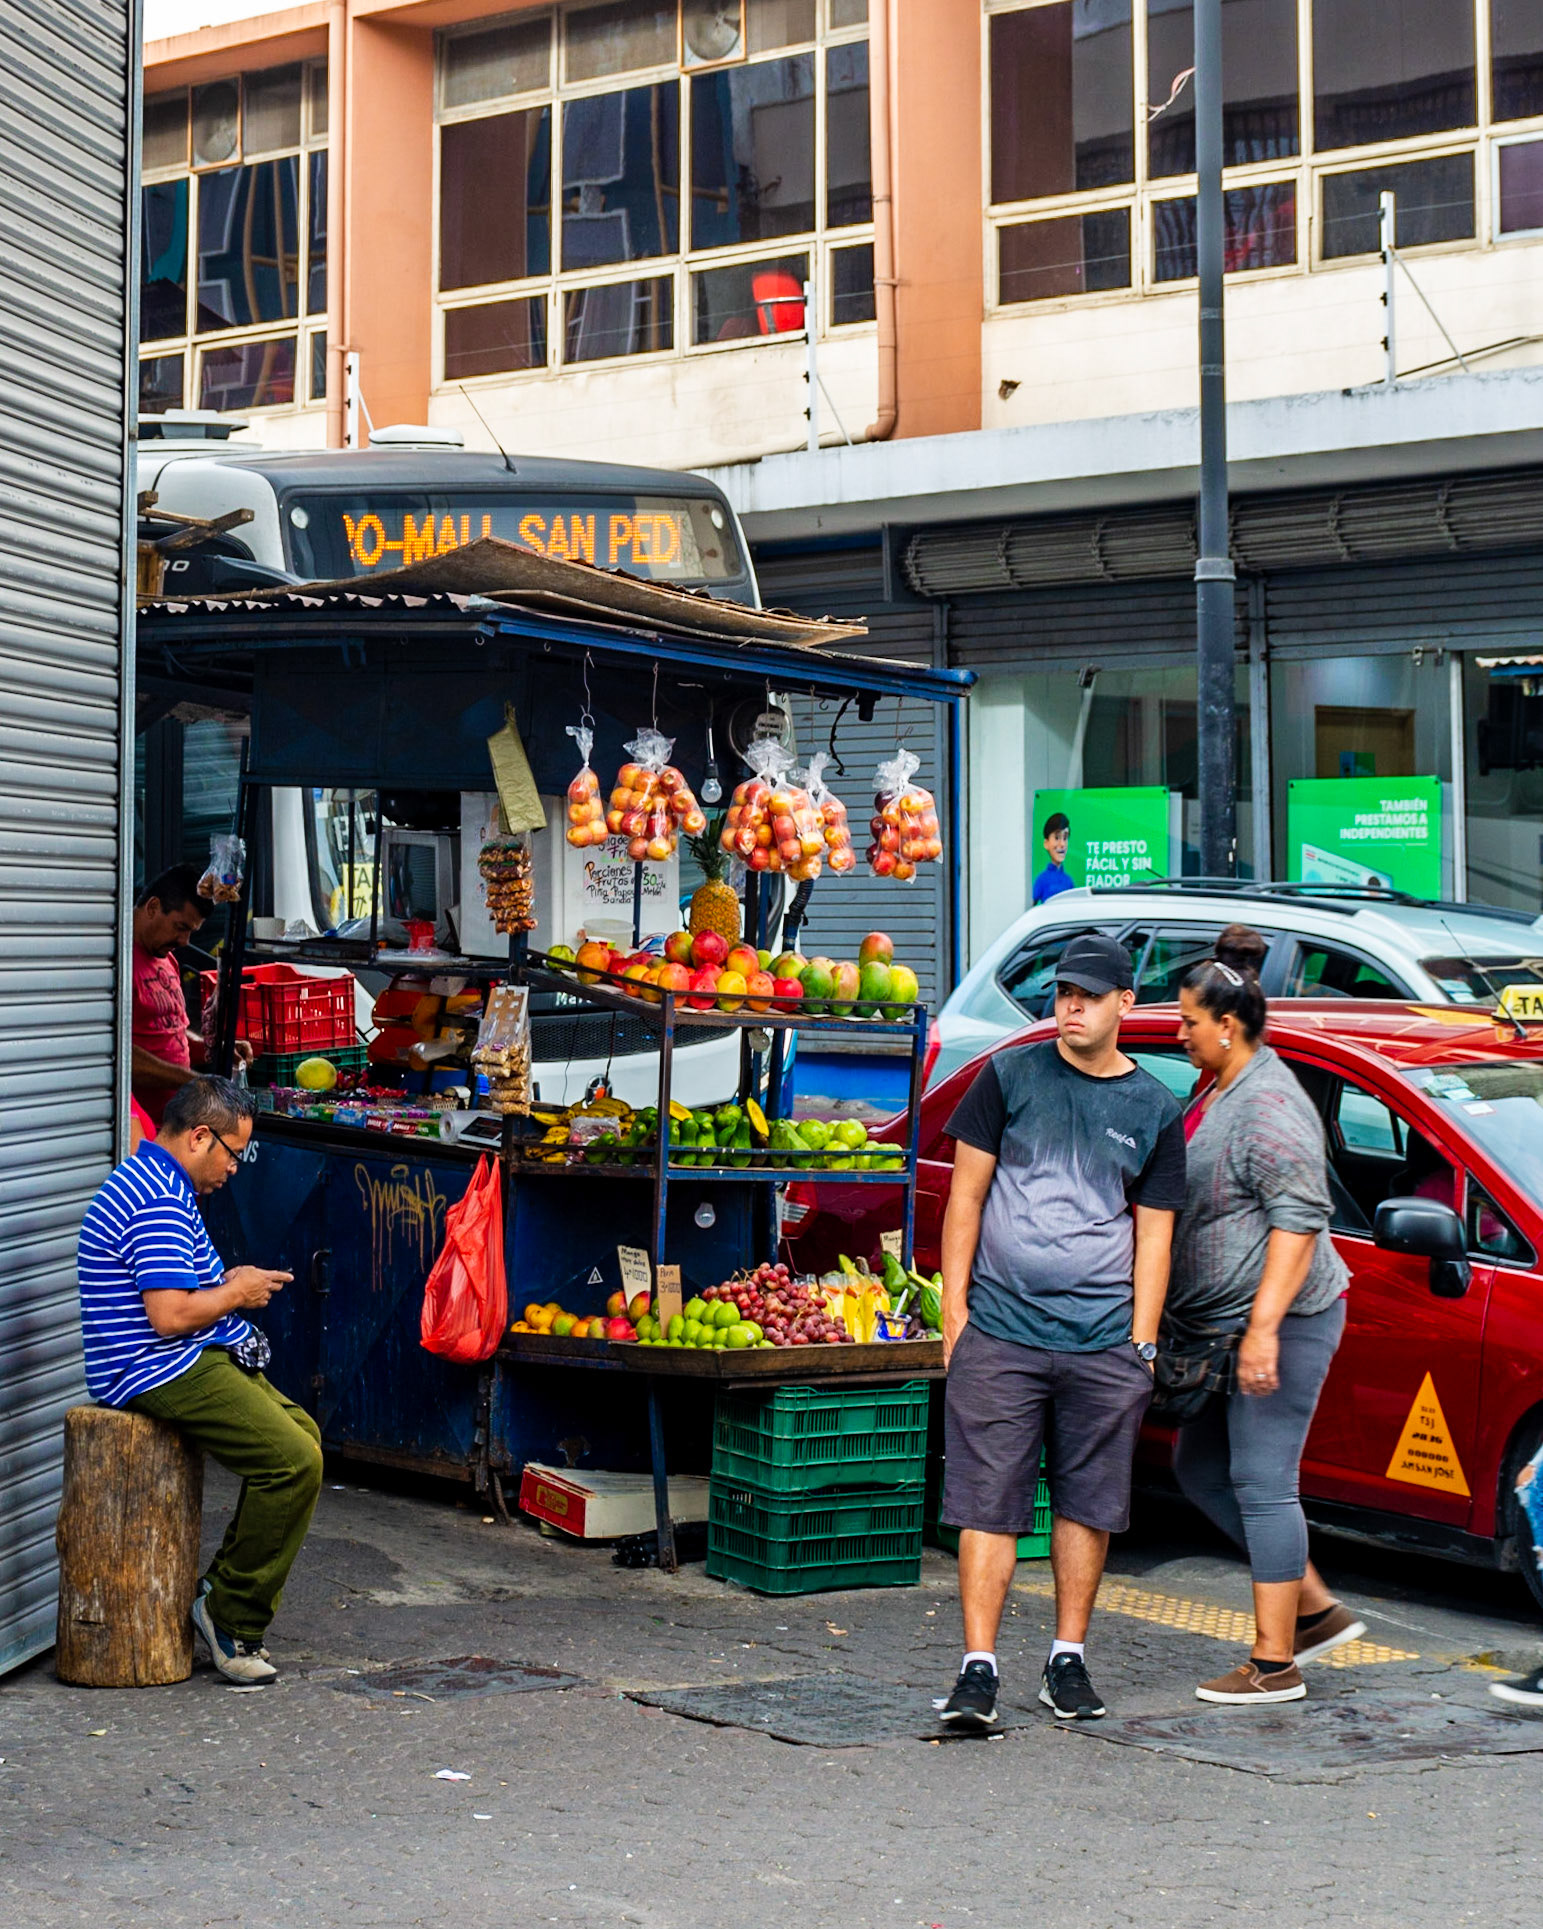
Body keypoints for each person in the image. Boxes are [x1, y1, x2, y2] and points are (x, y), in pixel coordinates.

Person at [937, 932, 1187, 1729]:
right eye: (1062, 993)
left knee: (1088, 1505)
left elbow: (1154, 1233)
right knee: (988, 1503)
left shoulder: (1154, 1107)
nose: (1070, 1007)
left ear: (1124, 1004)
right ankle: (977, 1668)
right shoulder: (1008, 1075)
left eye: (1087, 995)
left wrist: (1141, 1343)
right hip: (1000, 1332)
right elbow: (965, 1198)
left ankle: (1066, 1659)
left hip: (1104, 1339)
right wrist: (954, 1314)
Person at [1166, 925, 1364, 1705]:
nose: (1178, 1032)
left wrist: (1262, 1330)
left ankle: (1274, 1662)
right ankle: (1312, 1608)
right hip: (1226, 1326)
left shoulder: (1269, 1103)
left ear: (1226, 1024)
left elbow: (1299, 1220)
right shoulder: (1219, 1085)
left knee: (1261, 1479)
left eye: (1187, 1021)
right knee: (1199, 1468)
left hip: (1284, 1320)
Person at [77, 1077, 316, 1685]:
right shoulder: (157, 1197)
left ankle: (223, 1587)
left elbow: (179, 1289)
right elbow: (169, 1315)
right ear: (200, 1136)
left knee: (304, 1436)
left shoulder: (158, 1182)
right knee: (293, 1462)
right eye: (233, 1153)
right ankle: (231, 1616)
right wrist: (237, 1292)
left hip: (181, 1355)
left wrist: (227, 1282)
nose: (235, 1168)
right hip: (154, 1367)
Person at [131, 865, 251, 1127]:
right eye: (180, 927)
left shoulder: (167, 958)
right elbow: (120, 1056)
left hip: (174, 1124)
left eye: (191, 931)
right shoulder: (120, 963)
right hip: (141, 1129)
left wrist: (215, 1050)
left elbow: (169, 1034)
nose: (184, 941)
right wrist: (194, 1083)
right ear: (153, 907)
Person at [1031, 811, 1075, 906]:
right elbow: (1030, 906)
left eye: (1065, 838)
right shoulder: (1042, 879)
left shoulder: (1068, 881)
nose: (1062, 844)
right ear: (1046, 843)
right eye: (1057, 838)